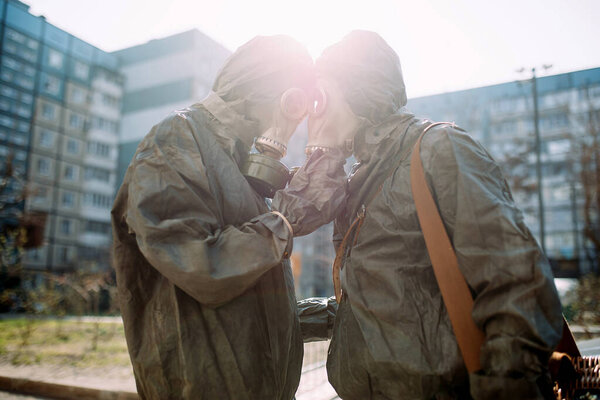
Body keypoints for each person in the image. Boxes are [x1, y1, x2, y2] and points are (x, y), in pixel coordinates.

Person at [283, 31, 564, 399]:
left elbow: (517, 282)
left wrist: (503, 389)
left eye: (320, 98)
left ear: (357, 89)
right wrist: (285, 317)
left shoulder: (438, 149)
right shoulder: (362, 180)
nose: (312, 112)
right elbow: (382, 303)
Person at [111, 35, 345, 399]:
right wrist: (284, 221)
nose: (296, 123)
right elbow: (202, 268)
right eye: (297, 106)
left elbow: (245, 315)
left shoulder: (238, 168)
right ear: (281, 95)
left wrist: (335, 314)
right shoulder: (175, 140)